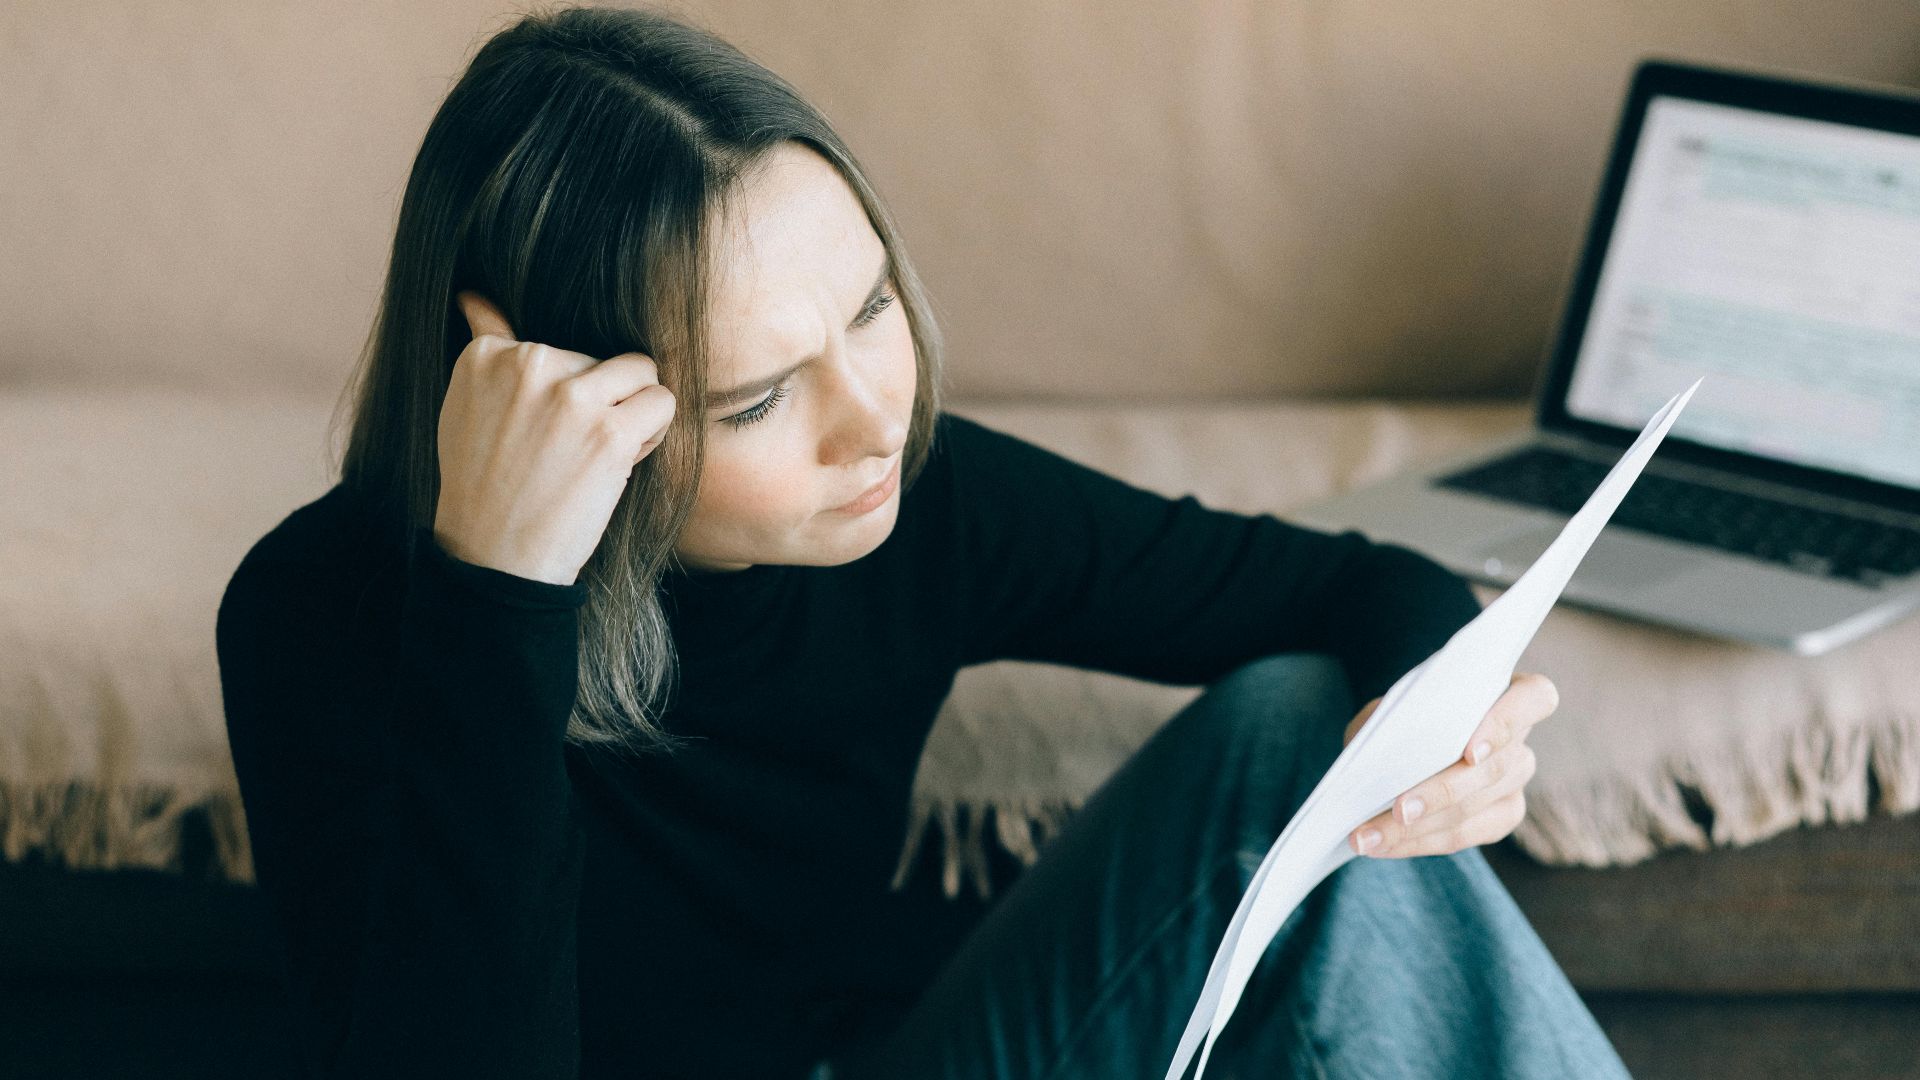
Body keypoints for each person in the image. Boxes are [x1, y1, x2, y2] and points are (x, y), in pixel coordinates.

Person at [213, 4, 1635, 1078]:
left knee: (1294, 719)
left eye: (873, 310)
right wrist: (501, 603)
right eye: (761, 395)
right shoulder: (318, 618)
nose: (870, 420)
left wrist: (1451, 728)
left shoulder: (911, 502)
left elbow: (1354, 585)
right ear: (562, 396)